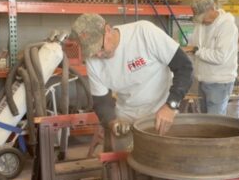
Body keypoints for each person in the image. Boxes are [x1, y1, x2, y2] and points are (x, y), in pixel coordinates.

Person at [69, 13, 193, 150]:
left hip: (162, 114)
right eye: (92, 53)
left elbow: (184, 67)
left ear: (108, 30)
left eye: (101, 48)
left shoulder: (144, 33)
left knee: (166, 159)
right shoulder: (93, 62)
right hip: (127, 119)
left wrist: (171, 106)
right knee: (120, 161)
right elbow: (101, 102)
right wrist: (113, 122)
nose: (98, 55)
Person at [189, 0, 238, 115]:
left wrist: (196, 50)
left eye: (203, 16)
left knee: (215, 121)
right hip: (203, 79)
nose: (202, 20)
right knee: (206, 120)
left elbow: (220, 56)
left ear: (212, 9)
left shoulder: (227, 26)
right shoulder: (200, 25)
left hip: (219, 82)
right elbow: (192, 46)